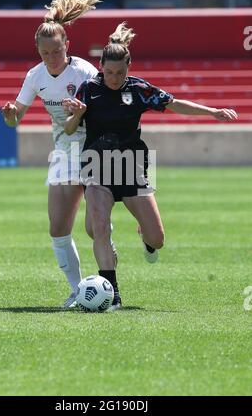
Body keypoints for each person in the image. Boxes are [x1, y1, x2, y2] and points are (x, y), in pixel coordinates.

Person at [63, 22, 238, 311]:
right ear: (101, 67)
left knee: (157, 238)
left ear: (128, 68)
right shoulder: (88, 89)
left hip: (132, 165)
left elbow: (174, 103)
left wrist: (213, 112)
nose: (114, 78)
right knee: (99, 227)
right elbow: (70, 130)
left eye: (120, 72)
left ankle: (145, 238)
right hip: (96, 165)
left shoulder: (140, 89)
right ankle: (113, 294)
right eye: (109, 72)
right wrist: (76, 115)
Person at [2, 0, 102, 308]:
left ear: (66, 46)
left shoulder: (85, 72)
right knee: (58, 227)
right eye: (45, 53)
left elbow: (107, 108)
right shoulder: (35, 76)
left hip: (96, 150)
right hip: (64, 152)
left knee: (97, 227)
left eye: (56, 51)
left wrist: (83, 111)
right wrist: (10, 115)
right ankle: (77, 291)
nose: (51, 58)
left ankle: (109, 284)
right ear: (38, 52)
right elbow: (16, 117)